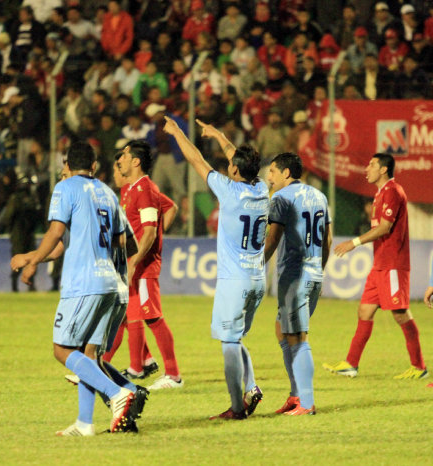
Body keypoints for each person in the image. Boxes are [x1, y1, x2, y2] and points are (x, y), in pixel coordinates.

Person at [14, 141, 143, 436]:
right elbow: (129, 243)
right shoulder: (108, 193)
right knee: (89, 355)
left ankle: (119, 392)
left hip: (83, 283)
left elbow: (55, 231)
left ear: (67, 165)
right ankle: (85, 423)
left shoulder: (66, 187)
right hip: (111, 283)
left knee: (62, 350)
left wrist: (32, 260)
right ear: (95, 166)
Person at [164, 116, 269, 420]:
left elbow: (195, 159)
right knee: (235, 338)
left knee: (228, 342)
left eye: (231, 165)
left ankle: (237, 408)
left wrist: (178, 132)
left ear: (234, 170)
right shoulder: (261, 189)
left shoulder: (229, 191)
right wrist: (220, 136)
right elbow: (239, 160)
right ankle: (252, 387)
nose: (227, 166)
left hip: (234, 281)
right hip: (257, 278)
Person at [323, 153, 428, 380]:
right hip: (380, 264)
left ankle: (419, 367)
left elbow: (385, 228)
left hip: (393, 265)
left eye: (371, 165)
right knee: (365, 310)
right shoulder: (380, 194)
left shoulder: (392, 191)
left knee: (400, 314)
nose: (366, 169)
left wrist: (354, 242)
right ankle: (351, 364)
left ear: (383, 169)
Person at [264, 152, 332, 416]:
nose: (269, 177)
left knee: (297, 337)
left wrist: (256, 268)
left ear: (286, 173)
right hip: (313, 273)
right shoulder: (320, 196)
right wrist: (319, 269)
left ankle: (307, 402)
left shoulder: (281, 198)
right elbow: (327, 239)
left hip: (294, 275)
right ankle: (295, 394)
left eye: (272, 171)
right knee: (282, 329)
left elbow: (273, 238)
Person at [113, 140, 183, 390]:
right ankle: (138, 365)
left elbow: (150, 232)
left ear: (136, 161)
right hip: (134, 264)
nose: (119, 159)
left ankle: (173, 375)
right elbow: (169, 208)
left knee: (153, 318)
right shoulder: (132, 189)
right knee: (130, 316)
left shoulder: (145, 189)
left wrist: (137, 259)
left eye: (124, 155)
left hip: (143, 267)